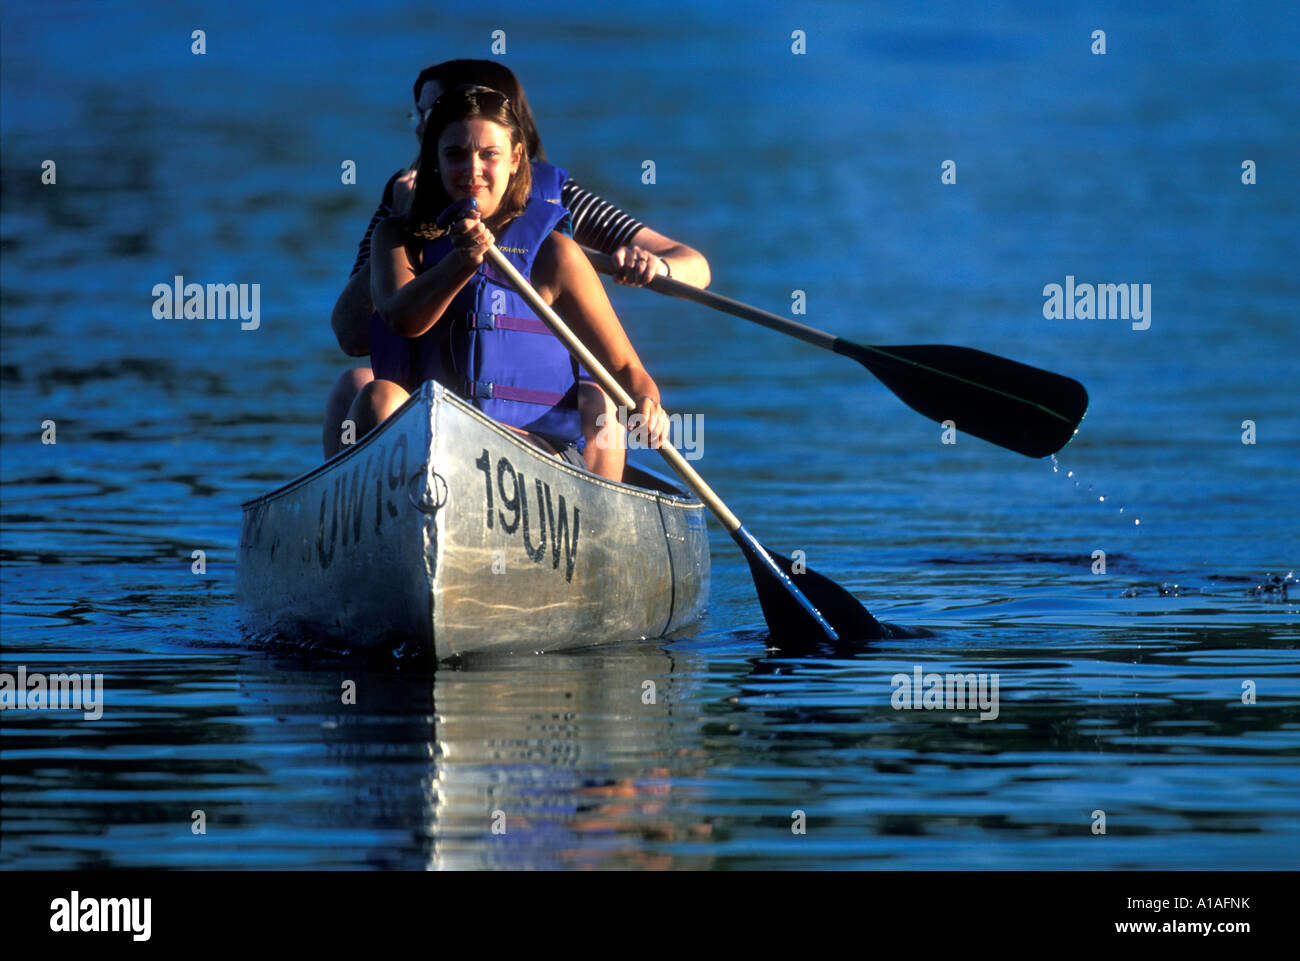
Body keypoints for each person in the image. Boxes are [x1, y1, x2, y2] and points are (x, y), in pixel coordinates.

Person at [323, 59, 709, 458]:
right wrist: (435, 241)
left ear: (513, 153)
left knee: (601, 408)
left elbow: (636, 355)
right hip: (428, 418)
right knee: (364, 392)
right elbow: (355, 333)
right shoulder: (399, 221)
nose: (472, 168)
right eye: (430, 122)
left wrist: (647, 403)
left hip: (530, 429)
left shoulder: (556, 232)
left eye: (434, 110)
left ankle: (593, 510)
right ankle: (359, 510)